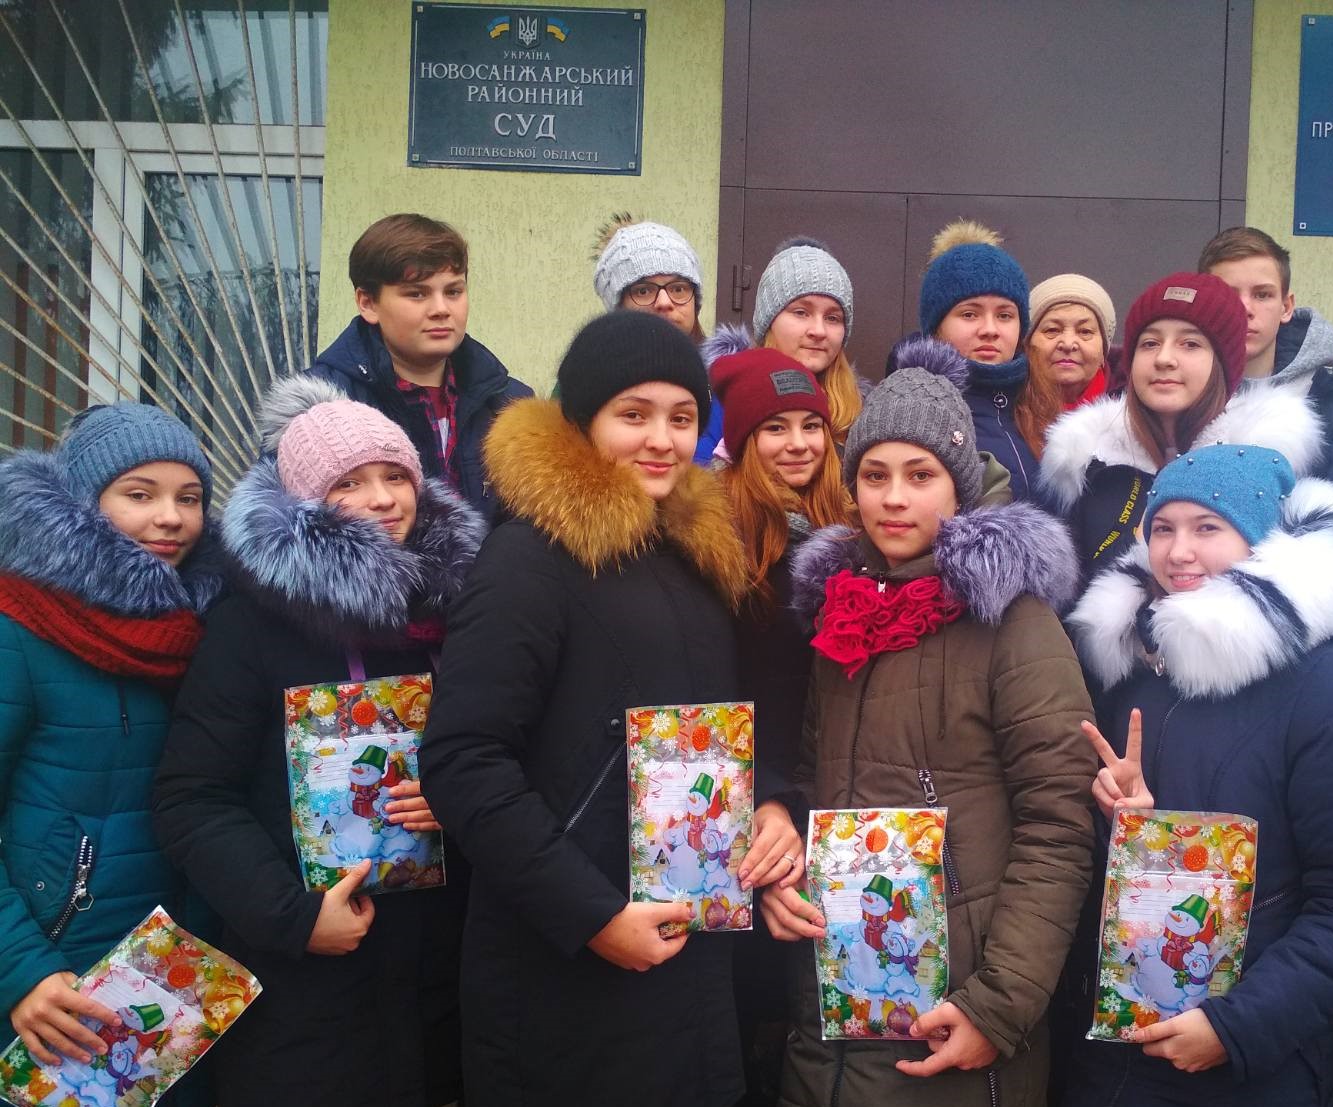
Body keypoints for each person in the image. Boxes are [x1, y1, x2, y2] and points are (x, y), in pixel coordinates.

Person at [418, 312, 803, 1106]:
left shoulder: (695, 554)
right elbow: (462, 760)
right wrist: (592, 914)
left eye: (682, 417)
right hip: (562, 980)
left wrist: (766, 799)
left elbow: (709, 725)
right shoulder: (528, 559)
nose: (661, 439)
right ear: (584, 419)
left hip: (691, 960)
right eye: (634, 414)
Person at [762, 336, 1099, 1105]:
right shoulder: (839, 615)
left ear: (959, 487)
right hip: (833, 1013)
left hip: (957, 1016)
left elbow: (1058, 825)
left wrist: (999, 1006)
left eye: (920, 475)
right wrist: (786, 876)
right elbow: (816, 784)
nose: (894, 497)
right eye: (874, 475)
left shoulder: (1013, 623)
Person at [153, 377, 482, 1107]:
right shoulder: (254, 623)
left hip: (440, 971)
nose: (383, 499)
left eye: (396, 476)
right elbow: (192, 797)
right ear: (305, 503)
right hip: (307, 984)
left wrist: (457, 800)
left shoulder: (455, 616)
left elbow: (494, 761)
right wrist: (293, 917)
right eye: (349, 483)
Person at [1061, 444, 1333, 1106]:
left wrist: (1235, 1028)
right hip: (1114, 1061)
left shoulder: (1323, 684)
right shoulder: (1131, 670)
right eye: (1164, 528)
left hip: (1252, 1065)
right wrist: (1121, 824)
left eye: (1208, 527)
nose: (1179, 551)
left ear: (1260, 540)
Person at [0, 405, 222, 1107]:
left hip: (175, 980)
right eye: (140, 494)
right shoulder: (20, 624)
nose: (170, 518)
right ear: (82, 503)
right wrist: (21, 971)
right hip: (54, 980)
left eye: (190, 497)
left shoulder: (199, 627)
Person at [708, 342, 855, 1105]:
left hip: (831, 785)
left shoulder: (850, 532)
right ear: (742, 440)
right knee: (750, 998)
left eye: (810, 425)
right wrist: (763, 794)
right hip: (752, 800)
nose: (797, 443)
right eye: (774, 428)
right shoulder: (720, 545)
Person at [1039, 272, 1322, 588]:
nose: (1164, 359)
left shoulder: (1269, 466)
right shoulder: (1086, 464)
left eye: (1190, 344)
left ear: (1223, 364)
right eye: (1149, 343)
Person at [308, 212, 532, 517]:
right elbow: (279, 528)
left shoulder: (510, 403)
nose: (441, 309)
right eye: (417, 294)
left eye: (453, 291)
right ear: (368, 303)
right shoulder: (318, 408)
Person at [1200, 226, 1333, 488]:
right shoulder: (1171, 395)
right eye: (1227, 295)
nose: (1245, 308)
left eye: (1262, 295)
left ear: (1286, 307)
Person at [917, 219, 1056, 501]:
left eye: (1005, 315)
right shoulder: (914, 412)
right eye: (970, 314)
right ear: (936, 326)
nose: (990, 329)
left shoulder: (1042, 405)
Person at [592, 213, 724, 463]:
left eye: (678, 289)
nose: (664, 302)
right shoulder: (586, 381)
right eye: (644, 290)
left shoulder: (727, 384)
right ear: (618, 307)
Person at [748, 236, 864, 440]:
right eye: (801, 312)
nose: (819, 331)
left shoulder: (866, 416)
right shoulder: (722, 404)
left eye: (832, 318)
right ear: (768, 322)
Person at [1027, 273, 1116, 414]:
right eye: (1052, 330)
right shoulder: (1001, 412)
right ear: (1027, 344)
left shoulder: (1131, 416)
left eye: (1085, 331)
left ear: (1104, 351)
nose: (1068, 344)